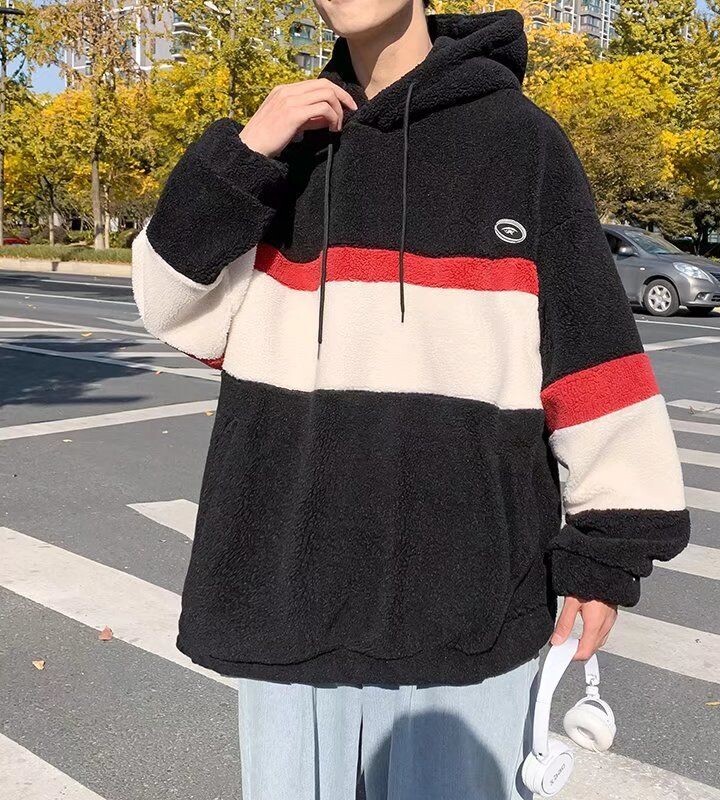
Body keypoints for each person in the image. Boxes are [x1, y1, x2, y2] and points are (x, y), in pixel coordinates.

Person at [131, 1, 690, 797]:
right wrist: (243, 155)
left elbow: (591, 353)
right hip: (290, 592)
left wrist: (609, 552)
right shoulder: (284, 146)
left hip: (469, 601)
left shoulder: (522, 142)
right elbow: (173, 309)